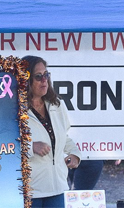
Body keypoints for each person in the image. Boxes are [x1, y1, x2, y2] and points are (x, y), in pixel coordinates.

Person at [21, 55, 81, 208]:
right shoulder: (15, 110)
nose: (44, 80)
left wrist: (74, 154)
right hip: (29, 191)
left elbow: (63, 137)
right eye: (38, 76)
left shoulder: (57, 104)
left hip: (58, 188)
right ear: (25, 80)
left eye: (46, 75)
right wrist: (31, 147)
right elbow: (5, 145)